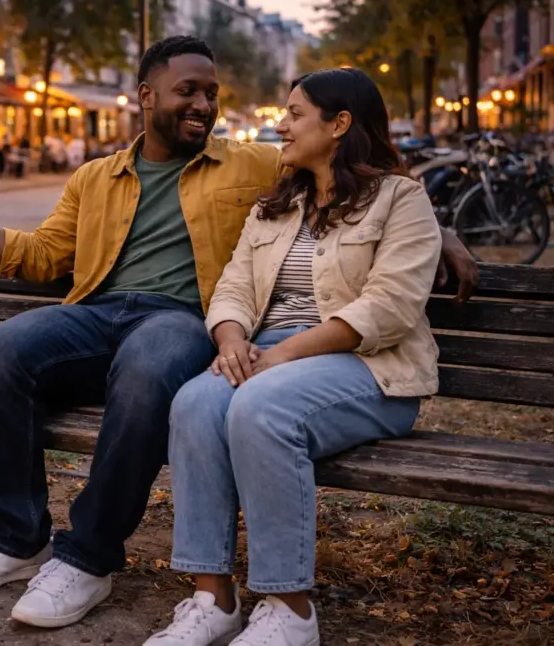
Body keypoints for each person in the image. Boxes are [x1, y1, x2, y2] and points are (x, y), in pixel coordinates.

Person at [0, 36, 478, 630]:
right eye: (188, 91)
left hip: (181, 320)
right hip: (101, 313)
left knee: (150, 366)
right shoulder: (95, 177)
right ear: (147, 95)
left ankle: (87, 557)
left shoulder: (252, 162)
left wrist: (440, 231)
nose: (203, 105)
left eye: (211, 94)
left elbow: (358, 173)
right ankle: (16, 538)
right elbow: (35, 255)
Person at [144, 68, 443, 646]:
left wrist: (282, 355)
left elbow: (388, 308)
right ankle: (213, 599)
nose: (281, 125)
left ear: (339, 124)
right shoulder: (278, 206)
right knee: (195, 403)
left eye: (295, 114)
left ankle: (290, 609)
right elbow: (234, 286)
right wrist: (231, 340)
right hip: (269, 357)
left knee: (261, 407)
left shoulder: (400, 199)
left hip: (368, 368)